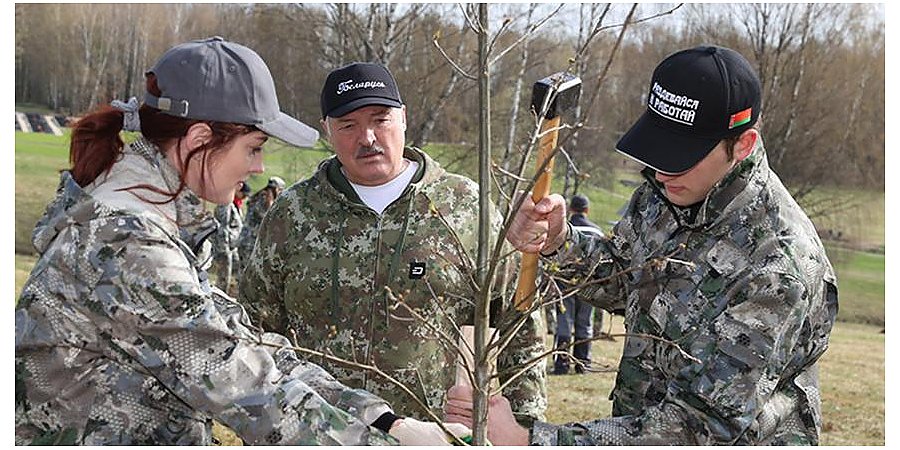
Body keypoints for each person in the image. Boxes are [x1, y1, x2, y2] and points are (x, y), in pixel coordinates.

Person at [15, 37, 469, 446]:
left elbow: (249, 346)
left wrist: (385, 421)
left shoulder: (151, 223)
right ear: (199, 140)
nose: (258, 168)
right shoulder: (125, 239)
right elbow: (244, 389)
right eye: (253, 148)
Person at [445, 45, 838, 445]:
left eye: (681, 156)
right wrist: (558, 242)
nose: (662, 172)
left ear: (742, 145)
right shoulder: (668, 192)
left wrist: (532, 440)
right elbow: (627, 278)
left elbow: (700, 427)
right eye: (657, 151)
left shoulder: (778, 266)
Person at [240, 62, 547, 425]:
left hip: (435, 435)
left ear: (403, 118)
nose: (367, 137)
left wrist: (525, 426)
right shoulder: (293, 214)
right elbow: (256, 330)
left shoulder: (465, 207)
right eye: (348, 126)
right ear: (327, 130)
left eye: (380, 119)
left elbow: (518, 320)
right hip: (319, 431)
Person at [551, 194, 603, 375]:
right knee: (584, 322)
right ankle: (583, 364)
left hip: (564, 281)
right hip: (590, 282)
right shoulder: (597, 232)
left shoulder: (564, 229)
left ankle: (562, 365)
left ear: (571, 209)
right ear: (587, 210)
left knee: (564, 322)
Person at [236, 175, 285, 275]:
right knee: (249, 274)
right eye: (280, 191)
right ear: (276, 189)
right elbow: (269, 218)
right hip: (250, 242)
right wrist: (271, 202)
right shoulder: (263, 199)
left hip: (247, 241)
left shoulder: (260, 197)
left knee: (245, 273)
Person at [211, 182, 250, 295]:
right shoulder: (226, 204)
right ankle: (220, 296)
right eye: (244, 194)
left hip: (233, 246)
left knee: (238, 270)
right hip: (225, 246)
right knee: (224, 276)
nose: (245, 197)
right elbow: (222, 226)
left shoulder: (236, 204)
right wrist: (224, 247)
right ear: (238, 191)